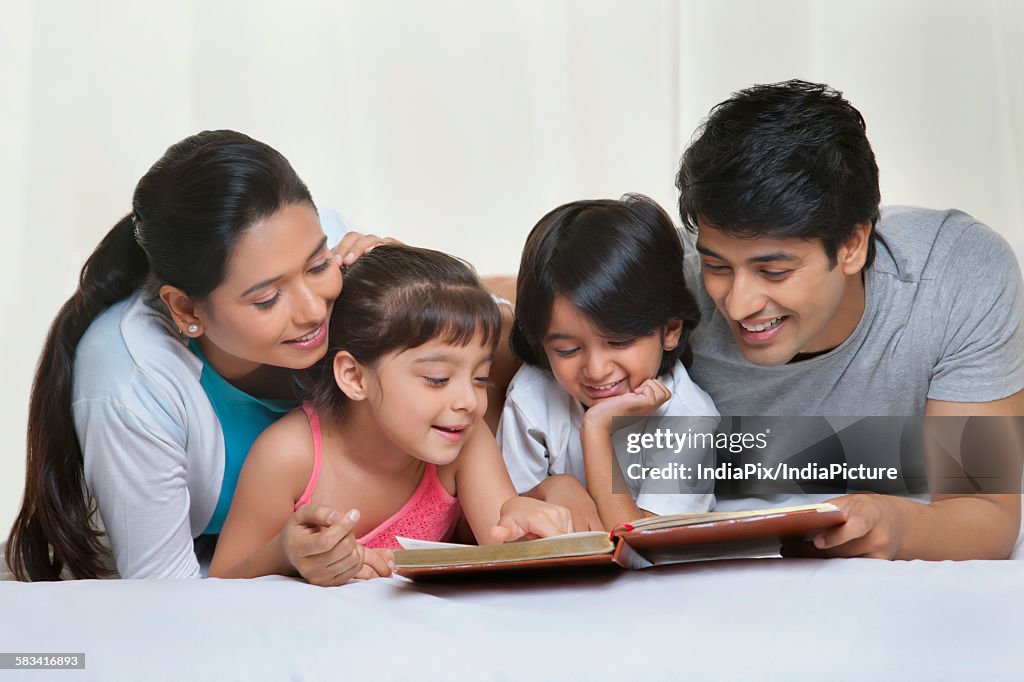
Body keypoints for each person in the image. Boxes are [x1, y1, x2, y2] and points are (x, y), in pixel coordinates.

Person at [6, 131, 457, 581]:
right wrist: (281, 558)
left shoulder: (338, 256)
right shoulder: (132, 382)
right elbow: (164, 595)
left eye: (317, 266)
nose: (313, 310)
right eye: (266, 300)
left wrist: (417, 292)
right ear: (186, 309)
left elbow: (482, 356)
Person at [675, 79, 1023, 559]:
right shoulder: (664, 281)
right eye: (716, 266)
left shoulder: (956, 273)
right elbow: (541, 307)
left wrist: (893, 525)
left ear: (853, 245)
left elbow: (986, 516)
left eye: (773, 270)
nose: (737, 305)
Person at [210, 245, 571, 585]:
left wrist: (525, 527)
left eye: (480, 378)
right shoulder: (287, 457)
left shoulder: (465, 439)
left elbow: (505, 547)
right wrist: (285, 555)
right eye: (437, 379)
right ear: (353, 376)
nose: (469, 402)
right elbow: (221, 584)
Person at [499, 195, 719, 531]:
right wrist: (553, 488)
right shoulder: (531, 397)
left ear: (671, 329)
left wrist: (596, 429)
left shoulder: (689, 417)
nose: (597, 369)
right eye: (568, 350)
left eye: (619, 342)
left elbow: (643, 544)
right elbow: (500, 521)